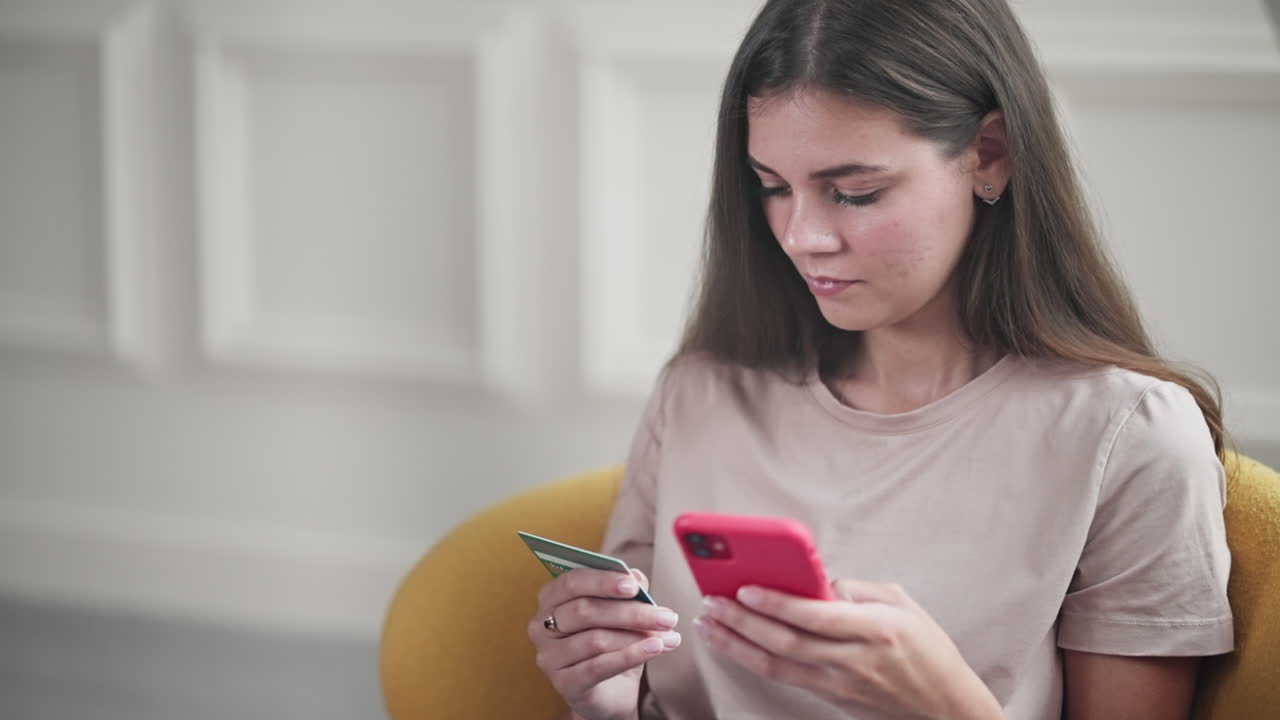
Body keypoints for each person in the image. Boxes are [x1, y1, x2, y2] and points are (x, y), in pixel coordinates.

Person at [527, 0, 1234, 717]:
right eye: (772, 186)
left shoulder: (1127, 435)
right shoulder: (700, 392)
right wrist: (604, 700)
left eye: (854, 192)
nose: (803, 236)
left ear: (990, 156)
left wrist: (946, 703)